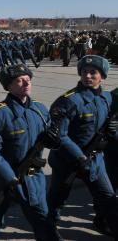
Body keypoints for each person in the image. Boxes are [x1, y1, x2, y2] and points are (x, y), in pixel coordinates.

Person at [0, 64, 62, 241]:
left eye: (28, 80)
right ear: (8, 86)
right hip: (3, 180)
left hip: (32, 177)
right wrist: (10, 178)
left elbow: (49, 134)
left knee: (42, 217)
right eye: (19, 81)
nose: (26, 84)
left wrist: (54, 141)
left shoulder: (39, 109)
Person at [47, 55, 118, 239]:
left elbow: (106, 127)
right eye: (84, 72)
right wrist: (79, 157)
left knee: (107, 197)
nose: (87, 76)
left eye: (93, 72)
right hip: (67, 161)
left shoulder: (107, 98)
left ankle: (110, 225)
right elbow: (60, 136)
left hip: (94, 160)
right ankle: (49, 230)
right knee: (57, 199)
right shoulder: (69, 101)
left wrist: (113, 131)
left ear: (102, 76)